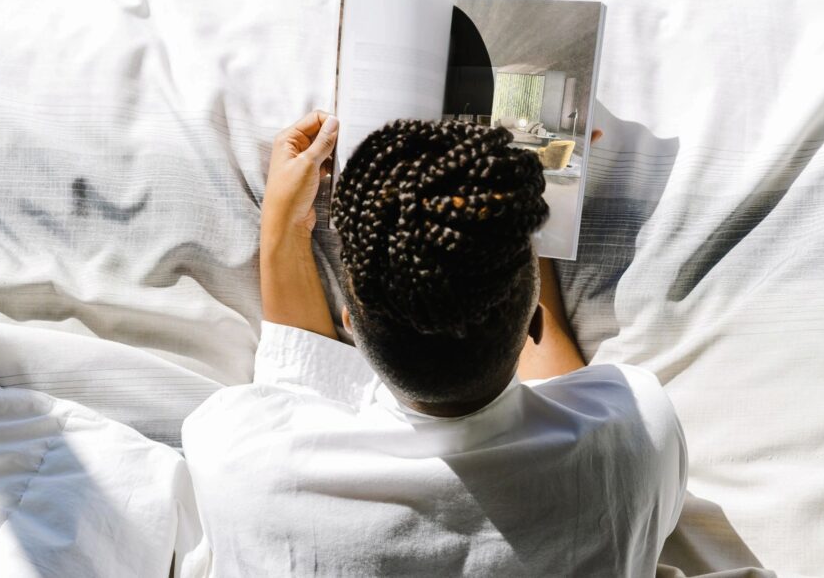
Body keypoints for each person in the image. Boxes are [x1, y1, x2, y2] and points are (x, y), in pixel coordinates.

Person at [182, 110, 687, 576]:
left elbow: (296, 383)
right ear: (532, 322)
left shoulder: (238, 459)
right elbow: (561, 384)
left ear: (350, 326)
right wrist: (519, 218)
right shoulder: (634, 441)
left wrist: (284, 225)